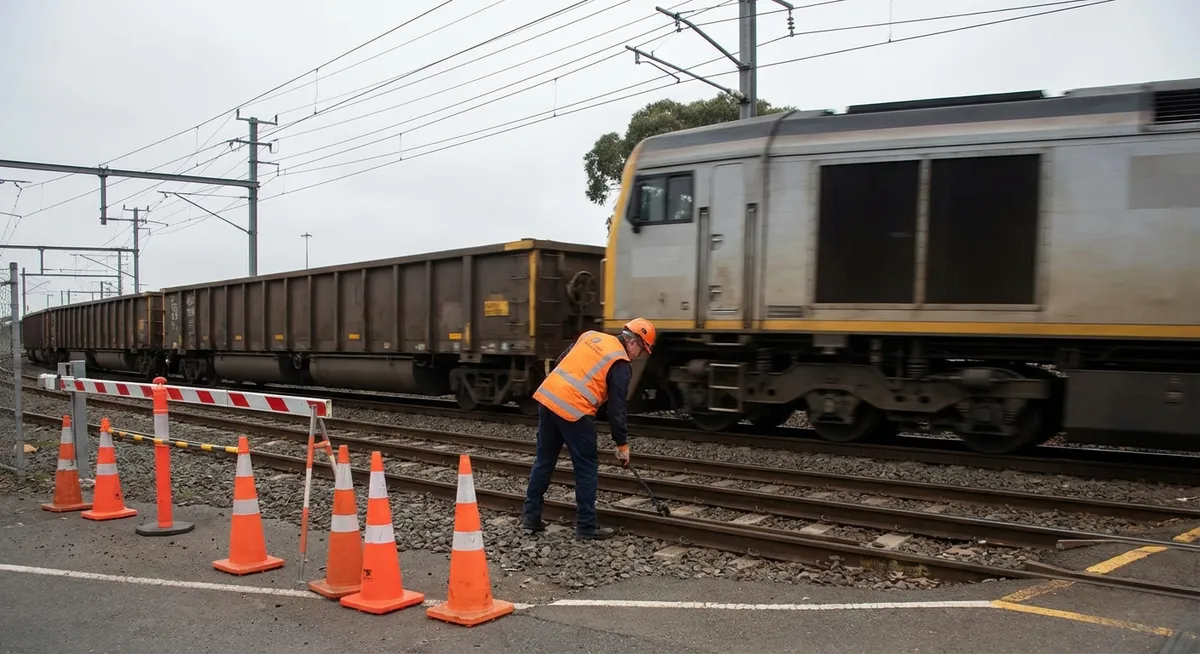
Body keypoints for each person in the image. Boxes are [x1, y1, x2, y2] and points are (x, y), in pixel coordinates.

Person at [521, 318, 657, 540]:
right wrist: (621, 444)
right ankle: (586, 527)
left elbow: (560, 361)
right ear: (634, 342)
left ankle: (531, 518)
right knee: (586, 467)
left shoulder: (590, 336)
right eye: (642, 350)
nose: (639, 355)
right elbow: (617, 409)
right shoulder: (620, 363)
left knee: (544, 460)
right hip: (575, 409)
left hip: (548, 398)